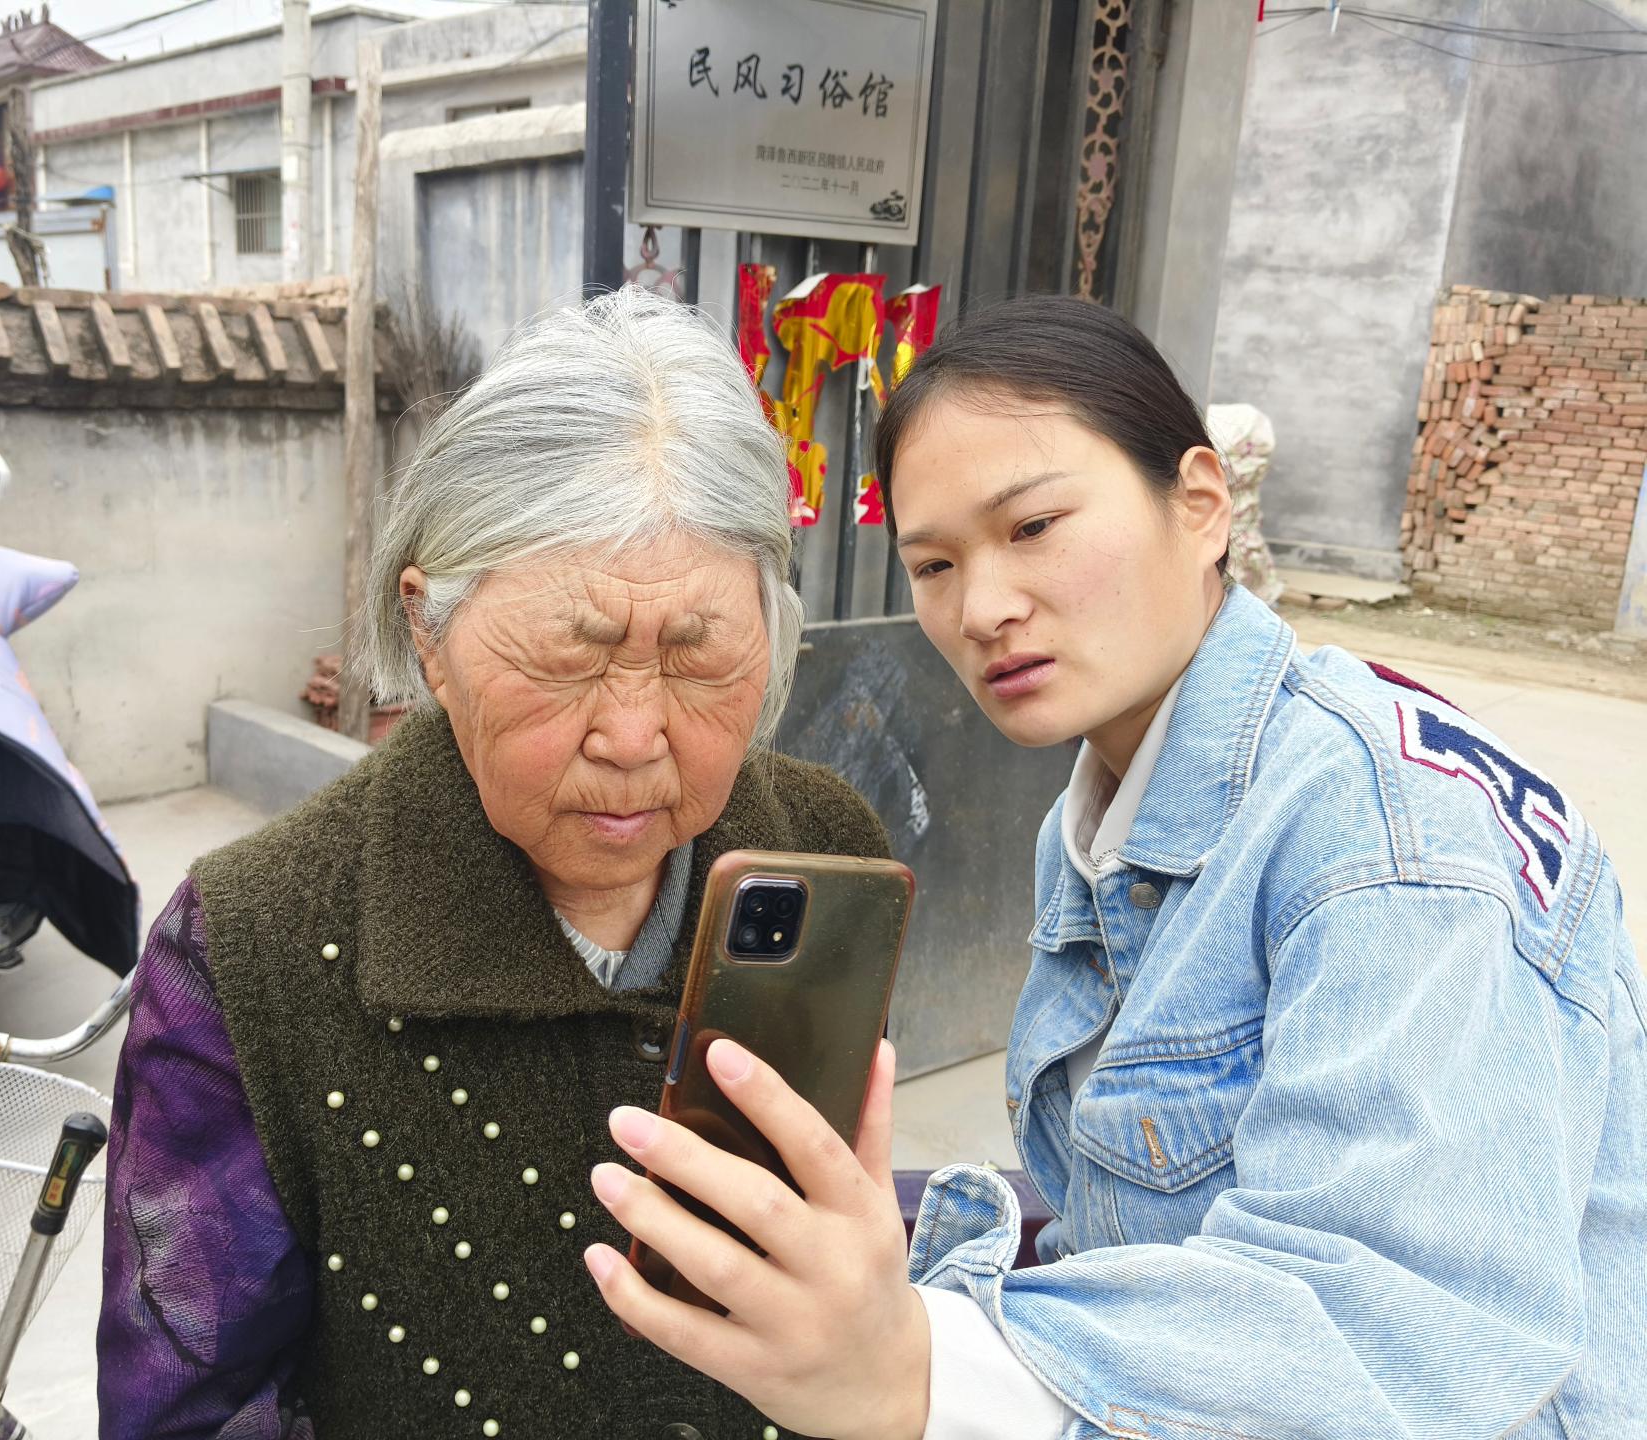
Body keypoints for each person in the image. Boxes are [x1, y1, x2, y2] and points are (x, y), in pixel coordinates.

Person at [586, 296, 1647, 1439]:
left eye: (1034, 525)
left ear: (1201, 505)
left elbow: (1392, 1327)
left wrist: (919, 1371)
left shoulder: (1384, 838)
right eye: (934, 564)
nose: (983, 607)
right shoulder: (1100, 816)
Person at [96, 287, 890, 1440]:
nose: (633, 734)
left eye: (697, 655)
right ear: (430, 632)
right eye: (572, 658)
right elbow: (190, 1403)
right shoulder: (248, 945)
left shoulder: (827, 854)